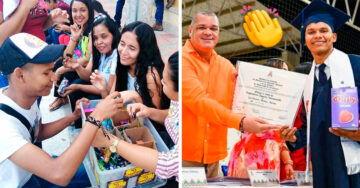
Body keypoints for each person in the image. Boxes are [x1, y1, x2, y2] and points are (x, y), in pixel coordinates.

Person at [0, 33, 124, 187]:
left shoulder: (25, 97)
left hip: (32, 170)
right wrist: (95, 117)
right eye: (46, 73)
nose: (54, 78)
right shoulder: (4, 126)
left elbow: (38, 132)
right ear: (20, 75)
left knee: (100, 172)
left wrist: (74, 116)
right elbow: (59, 174)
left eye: (52, 70)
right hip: (23, 182)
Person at [182, 10, 279, 178]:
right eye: (201, 27)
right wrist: (241, 122)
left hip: (214, 160)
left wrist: (277, 128)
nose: (208, 32)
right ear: (190, 30)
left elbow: (244, 104)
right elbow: (199, 101)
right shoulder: (182, 61)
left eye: (213, 28)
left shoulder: (227, 67)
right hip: (185, 159)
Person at [280, 0, 360, 187]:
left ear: (334, 36)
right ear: (305, 40)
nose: (318, 36)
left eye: (323, 31)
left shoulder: (355, 65)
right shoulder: (307, 83)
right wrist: (293, 138)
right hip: (322, 165)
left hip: (353, 164)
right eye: (311, 32)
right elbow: (308, 127)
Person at [92, 51, 179, 183]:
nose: (161, 82)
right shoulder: (179, 97)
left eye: (165, 82)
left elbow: (168, 165)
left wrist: (112, 142)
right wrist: (149, 111)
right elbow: (173, 115)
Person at [227, 60, 294, 181]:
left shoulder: (284, 104)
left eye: (287, 72)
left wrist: (288, 162)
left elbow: (279, 138)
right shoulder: (249, 95)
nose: (287, 76)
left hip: (270, 152)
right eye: (283, 71)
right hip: (248, 151)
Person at [61, 13, 120, 128]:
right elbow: (87, 76)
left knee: (81, 92)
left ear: (114, 35)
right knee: (76, 86)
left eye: (104, 36)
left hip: (108, 95)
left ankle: (89, 127)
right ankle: (79, 123)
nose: (99, 42)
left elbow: (107, 91)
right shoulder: (99, 52)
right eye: (96, 38)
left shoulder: (117, 56)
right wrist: (77, 66)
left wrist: (79, 87)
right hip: (101, 89)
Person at [49, 0, 94, 113]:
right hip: (80, 64)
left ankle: (76, 117)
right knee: (59, 64)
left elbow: (85, 60)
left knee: (68, 76)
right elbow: (66, 55)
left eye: (82, 10)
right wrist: (74, 38)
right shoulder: (80, 27)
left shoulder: (93, 31)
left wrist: (60, 70)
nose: (78, 14)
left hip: (91, 69)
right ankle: (61, 97)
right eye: (74, 11)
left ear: (89, 11)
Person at [0, 0, 69, 46]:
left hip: (40, 51)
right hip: (19, 58)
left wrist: (51, 19)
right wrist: (24, 7)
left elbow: (34, 25)